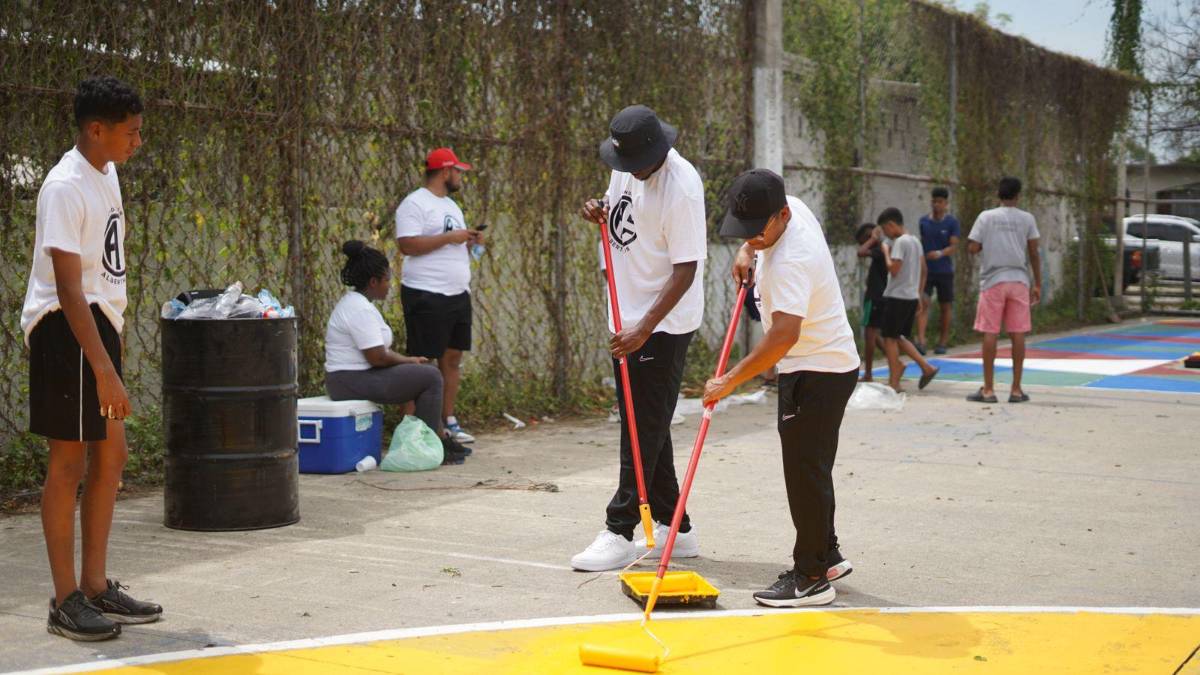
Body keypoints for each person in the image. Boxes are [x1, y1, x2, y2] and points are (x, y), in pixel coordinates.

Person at [20, 76, 161, 641]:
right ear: (96, 130)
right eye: (131, 132)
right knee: (70, 464)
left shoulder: (108, 171)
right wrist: (103, 367)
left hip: (100, 327)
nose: (138, 141)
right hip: (65, 330)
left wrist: (115, 346)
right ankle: (64, 600)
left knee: (112, 459)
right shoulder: (63, 186)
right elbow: (70, 287)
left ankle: (97, 584)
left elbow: (106, 276)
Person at [703, 169, 859, 607]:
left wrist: (729, 381)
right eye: (743, 231)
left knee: (804, 475)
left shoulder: (792, 261)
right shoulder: (788, 210)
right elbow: (759, 236)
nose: (751, 237)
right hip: (826, 363)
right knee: (813, 469)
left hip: (815, 371)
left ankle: (810, 578)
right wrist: (746, 251)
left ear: (782, 216)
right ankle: (826, 553)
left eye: (757, 232)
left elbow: (782, 337)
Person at [573, 104, 707, 572]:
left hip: (662, 323)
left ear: (659, 151)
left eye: (634, 165)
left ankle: (619, 528)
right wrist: (599, 211)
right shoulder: (626, 169)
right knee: (647, 422)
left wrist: (644, 327)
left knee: (639, 426)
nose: (626, 173)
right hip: (625, 313)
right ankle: (676, 526)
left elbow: (686, 269)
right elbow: (622, 219)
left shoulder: (682, 188)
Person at [324, 241, 469, 464]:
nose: (390, 285)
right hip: (349, 380)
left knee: (423, 374)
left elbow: (378, 356)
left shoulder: (358, 303)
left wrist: (408, 364)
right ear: (373, 282)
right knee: (430, 377)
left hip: (353, 377)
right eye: (387, 280)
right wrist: (408, 360)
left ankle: (436, 438)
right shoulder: (359, 309)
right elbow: (378, 357)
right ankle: (430, 446)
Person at [395, 148, 484, 445]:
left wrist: (470, 242)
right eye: (458, 171)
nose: (461, 176)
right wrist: (450, 238)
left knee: (453, 357)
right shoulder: (415, 203)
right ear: (445, 171)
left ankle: (448, 421)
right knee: (420, 360)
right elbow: (406, 244)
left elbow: (451, 243)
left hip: (458, 293)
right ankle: (412, 428)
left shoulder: (451, 205)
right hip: (426, 293)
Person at [966, 177, 1042, 404]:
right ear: (1018, 195)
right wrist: (1037, 283)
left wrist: (984, 244)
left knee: (990, 333)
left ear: (998, 194)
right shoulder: (1027, 219)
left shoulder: (986, 217)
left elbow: (972, 246)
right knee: (1018, 333)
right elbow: (1034, 252)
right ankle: (1016, 389)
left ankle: (988, 389)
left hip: (993, 281)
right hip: (1019, 280)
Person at [878, 208, 940, 393]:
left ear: (891, 225)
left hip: (897, 296)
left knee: (889, 338)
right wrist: (919, 294)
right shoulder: (915, 241)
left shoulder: (900, 242)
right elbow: (924, 270)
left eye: (885, 230)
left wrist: (885, 252)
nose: (886, 234)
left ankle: (894, 380)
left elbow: (894, 269)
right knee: (899, 337)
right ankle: (925, 367)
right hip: (911, 295)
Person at [915, 187, 961, 355]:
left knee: (945, 306)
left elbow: (954, 245)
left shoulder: (952, 223)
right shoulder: (923, 222)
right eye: (934, 201)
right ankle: (921, 341)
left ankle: (943, 341)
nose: (936, 205)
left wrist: (940, 253)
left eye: (940, 202)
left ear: (946, 204)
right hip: (927, 271)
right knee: (923, 303)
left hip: (944, 271)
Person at [855, 223, 888, 381]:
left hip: (875, 296)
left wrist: (873, 239)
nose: (862, 244)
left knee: (870, 334)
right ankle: (894, 362)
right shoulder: (882, 248)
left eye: (863, 240)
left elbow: (860, 252)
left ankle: (868, 373)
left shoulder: (881, 248)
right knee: (876, 335)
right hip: (880, 296)